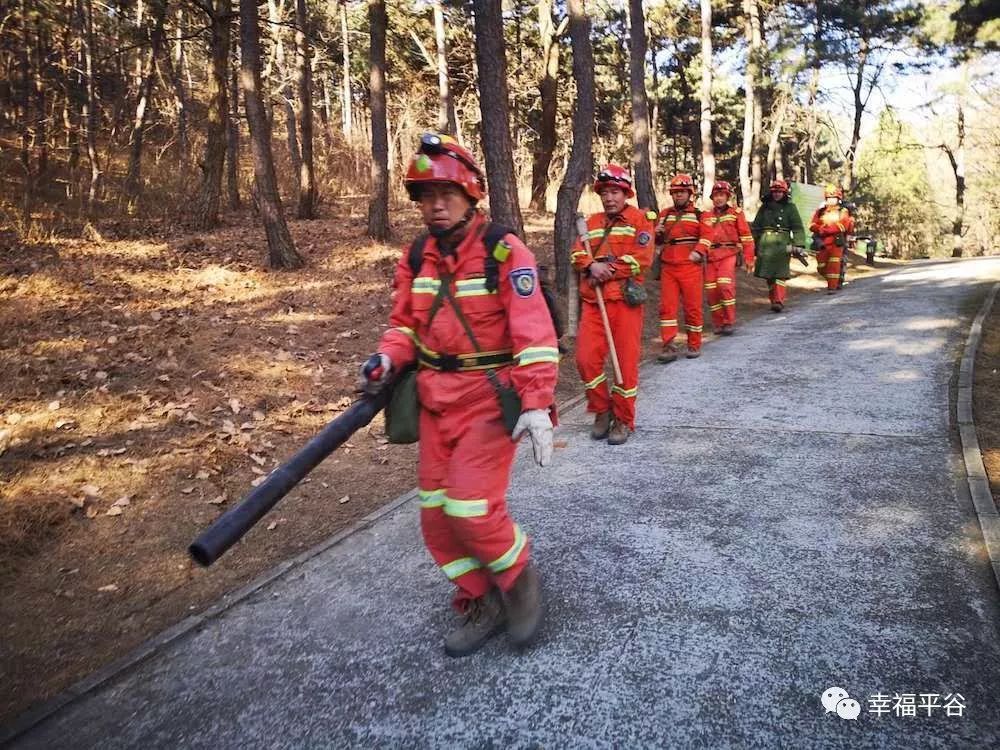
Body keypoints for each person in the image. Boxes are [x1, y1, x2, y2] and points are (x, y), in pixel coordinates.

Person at [360, 133, 559, 657]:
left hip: (489, 401)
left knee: (469, 507)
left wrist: (537, 404)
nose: (436, 205)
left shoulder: (503, 251)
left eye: (446, 193)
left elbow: (534, 333)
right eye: (425, 195)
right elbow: (404, 326)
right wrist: (387, 358)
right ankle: (479, 596)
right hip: (433, 402)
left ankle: (518, 582)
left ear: (471, 194)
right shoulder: (418, 255)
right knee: (436, 517)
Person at [570, 164, 655, 445]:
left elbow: (641, 258)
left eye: (615, 192)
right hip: (594, 303)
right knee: (585, 360)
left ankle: (623, 419)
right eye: (605, 192)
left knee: (624, 365)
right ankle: (601, 409)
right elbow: (576, 254)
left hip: (624, 303)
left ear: (625, 193)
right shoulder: (592, 223)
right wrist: (589, 265)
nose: (609, 198)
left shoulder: (640, 220)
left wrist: (608, 270)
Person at [654, 173, 705, 362]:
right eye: (675, 193)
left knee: (692, 308)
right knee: (667, 308)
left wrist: (698, 251)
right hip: (669, 267)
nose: (679, 196)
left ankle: (694, 343)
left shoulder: (700, 215)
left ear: (690, 193)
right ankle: (668, 345)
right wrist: (656, 233)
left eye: (682, 192)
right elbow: (658, 240)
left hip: (691, 267)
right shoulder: (665, 214)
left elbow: (707, 237)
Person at [697, 181, 755, 334]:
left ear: (727, 196)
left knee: (724, 285)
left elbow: (746, 237)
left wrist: (749, 258)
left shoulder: (736, 213)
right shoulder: (706, 215)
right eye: (716, 195)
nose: (719, 198)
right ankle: (718, 322)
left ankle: (728, 321)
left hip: (729, 253)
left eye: (722, 195)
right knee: (711, 290)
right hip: (710, 256)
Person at [751, 179, 806, 313]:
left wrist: (799, 244)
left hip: (783, 244)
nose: (777, 194)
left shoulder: (790, 207)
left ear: (784, 193)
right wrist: (753, 243)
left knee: (780, 274)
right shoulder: (764, 207)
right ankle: (773, 300)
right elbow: (756, 226)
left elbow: (797, 227)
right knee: (769, 275)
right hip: (765, 244)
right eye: (774, 191)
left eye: (780, 192)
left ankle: (779, 301)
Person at [810, 184, 855, 294]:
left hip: (837, 242)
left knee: (834, 264)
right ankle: (832, 280)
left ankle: (832, 287)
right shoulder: (820, 211)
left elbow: (843, 225)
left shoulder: (843, 211)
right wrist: (819, 229)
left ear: (838, 198)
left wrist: (826, 230)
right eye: (829, 198)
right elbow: (811, 224)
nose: (831, 200)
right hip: (822, 243)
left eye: (833, 198)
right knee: (821, 266)